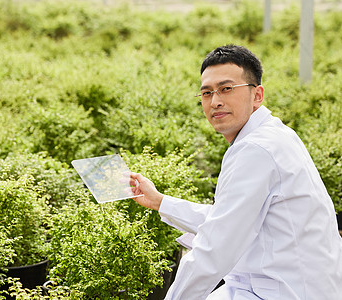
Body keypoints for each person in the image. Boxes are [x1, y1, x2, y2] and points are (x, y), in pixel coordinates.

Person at [129, 45, 342, 300]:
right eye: (206, 93)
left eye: (226, 89)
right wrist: (160, 201)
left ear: (257, 95)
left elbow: (214, 248)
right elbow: (227, 219)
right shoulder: (270, 134)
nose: (215, 101)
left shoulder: (256, 149)